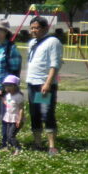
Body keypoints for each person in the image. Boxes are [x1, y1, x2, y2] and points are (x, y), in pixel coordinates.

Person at [26, 17, 63, 155]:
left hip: (43, 84)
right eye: (32, 28)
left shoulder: (52, 42)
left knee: (46, 113)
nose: (33, 30)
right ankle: (37, 143)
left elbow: (55, 64)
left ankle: (52, 146)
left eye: (36, 28)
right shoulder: (32, 43)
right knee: (34, 114)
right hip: (32, 83)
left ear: (45, 28)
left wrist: (48, 83)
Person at [1, 75, 24, 154]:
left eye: (9, 86)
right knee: (7, 134)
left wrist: (20, 119)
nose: (7, 88)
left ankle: (18, 148)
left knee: (11, 135)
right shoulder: (8, 95)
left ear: (15, 86)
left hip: (16, 118)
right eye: (6, 86)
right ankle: (9, 147)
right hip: (9, 117)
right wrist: (1, 97)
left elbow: (21, 109)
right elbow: (7, 104)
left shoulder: (18, 96)